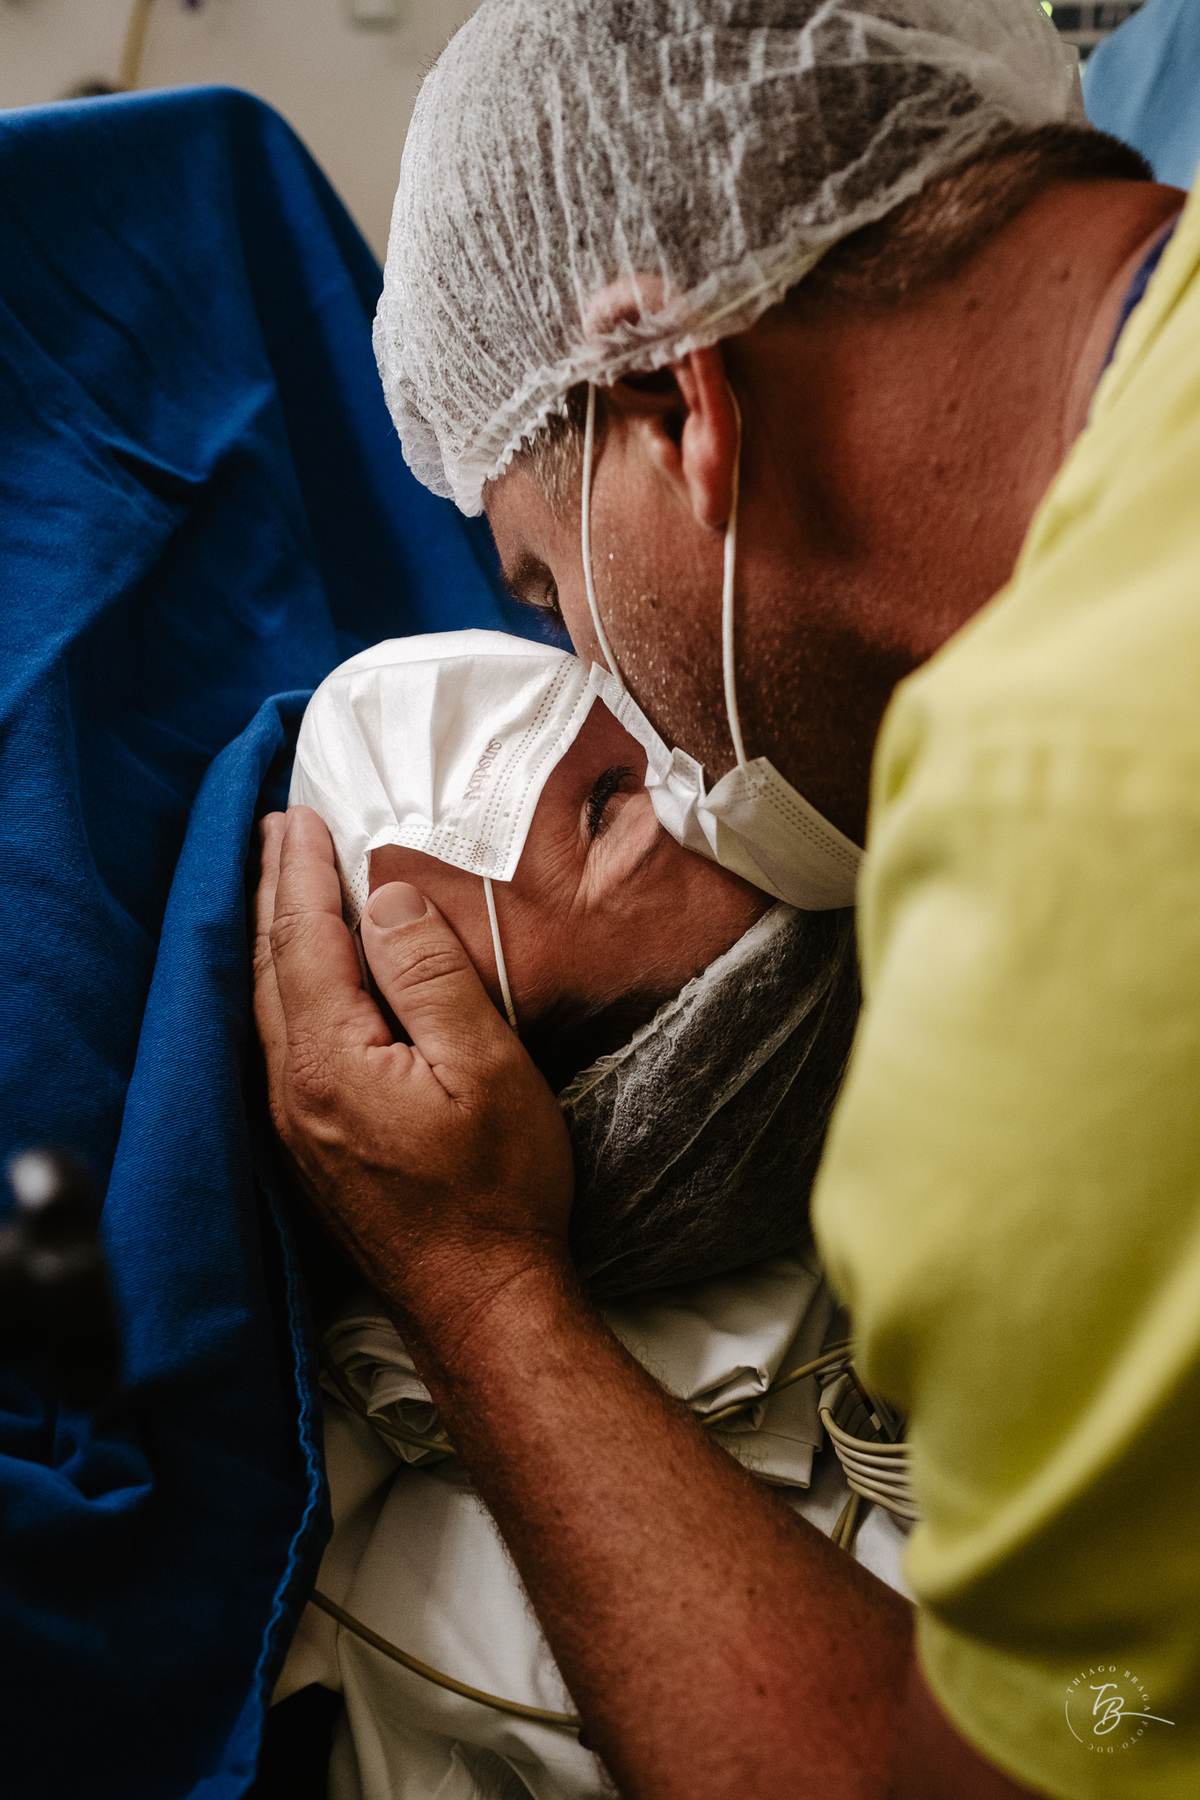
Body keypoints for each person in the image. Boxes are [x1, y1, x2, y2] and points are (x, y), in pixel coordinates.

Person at [254, 3, 1200, 1795]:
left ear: (676, 388)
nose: (597, 682)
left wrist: (474, 1283)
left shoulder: (1048, 866)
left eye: (548, 590)